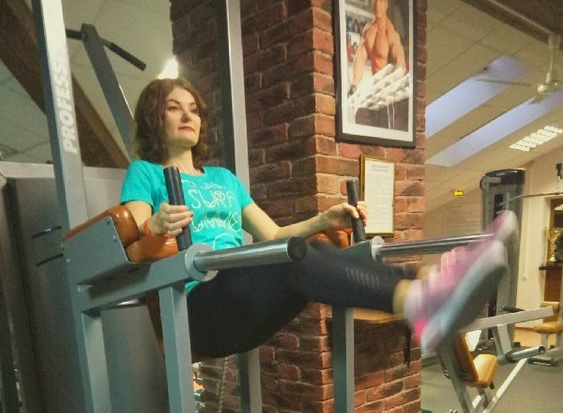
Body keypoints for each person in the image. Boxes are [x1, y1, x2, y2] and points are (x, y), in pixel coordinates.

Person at [120, 76, 515, 359]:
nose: (187, 115)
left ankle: (429, 285)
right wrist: (155, 226)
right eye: (174, 108)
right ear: (156, 118)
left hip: (239, 299)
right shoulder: (146, 173)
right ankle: (421, 302)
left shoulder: (224, 179)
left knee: (309, 251)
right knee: (292, 258)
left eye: (193, 109)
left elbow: (273, 233)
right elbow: (130, 239)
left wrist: (325, 219)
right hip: (196, 309)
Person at [348, 0, 408, 129]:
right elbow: (361, 57)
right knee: (360, 116)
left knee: (385, 132)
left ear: (386, 4)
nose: (377, 3)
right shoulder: (369, 30)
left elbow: (400, 63)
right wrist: (354, 84)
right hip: (375, 91)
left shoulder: (391, 33)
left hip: (388, 96)